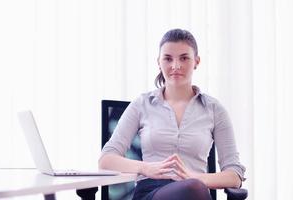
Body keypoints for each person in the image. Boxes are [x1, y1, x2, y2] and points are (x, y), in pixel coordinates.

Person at [99, 28, 245, 200]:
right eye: (168, 59)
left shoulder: (214, 109)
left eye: (184, 58)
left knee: (192, 188)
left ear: (196, 61)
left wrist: (196, 177)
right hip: (151, 192)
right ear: (159, 62)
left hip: (196, 189)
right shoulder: (142, 104)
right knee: (193, 189)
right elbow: (106, 160)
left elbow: (234, 175)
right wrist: (145, 168)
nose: (176, 66)